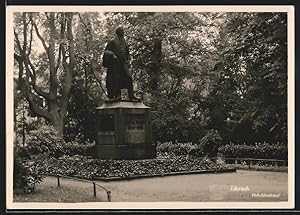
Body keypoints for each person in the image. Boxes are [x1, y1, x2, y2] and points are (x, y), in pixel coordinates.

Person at [102, 26, 139, 101]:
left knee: (129, 77)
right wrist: (112, 55)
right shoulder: (112, 41)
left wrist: (128, 60)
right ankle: (117, 95)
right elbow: (106, 51)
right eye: (122, 30)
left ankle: (131, 95)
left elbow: (127, 52)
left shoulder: (124, 41)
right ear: (118, 32)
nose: (123, 32)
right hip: (116, 64)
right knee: (116, 79)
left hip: (123, 63)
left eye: (123, 30)